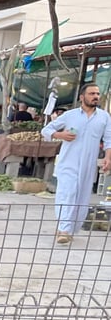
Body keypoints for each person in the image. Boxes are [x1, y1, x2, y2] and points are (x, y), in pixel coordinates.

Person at [41, 82, 111, 245]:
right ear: (82, 97)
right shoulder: (70, 115)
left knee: (82, 197)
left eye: (97, 94)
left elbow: (108, 139)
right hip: (68, 162)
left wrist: (108, 157)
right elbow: (46, 130)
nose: (95, 97)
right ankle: (64, 229)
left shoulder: (104, 117)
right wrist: (60, 135)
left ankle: (69, 229)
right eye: (92, 94)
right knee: (68, 193)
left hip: (88, 165)